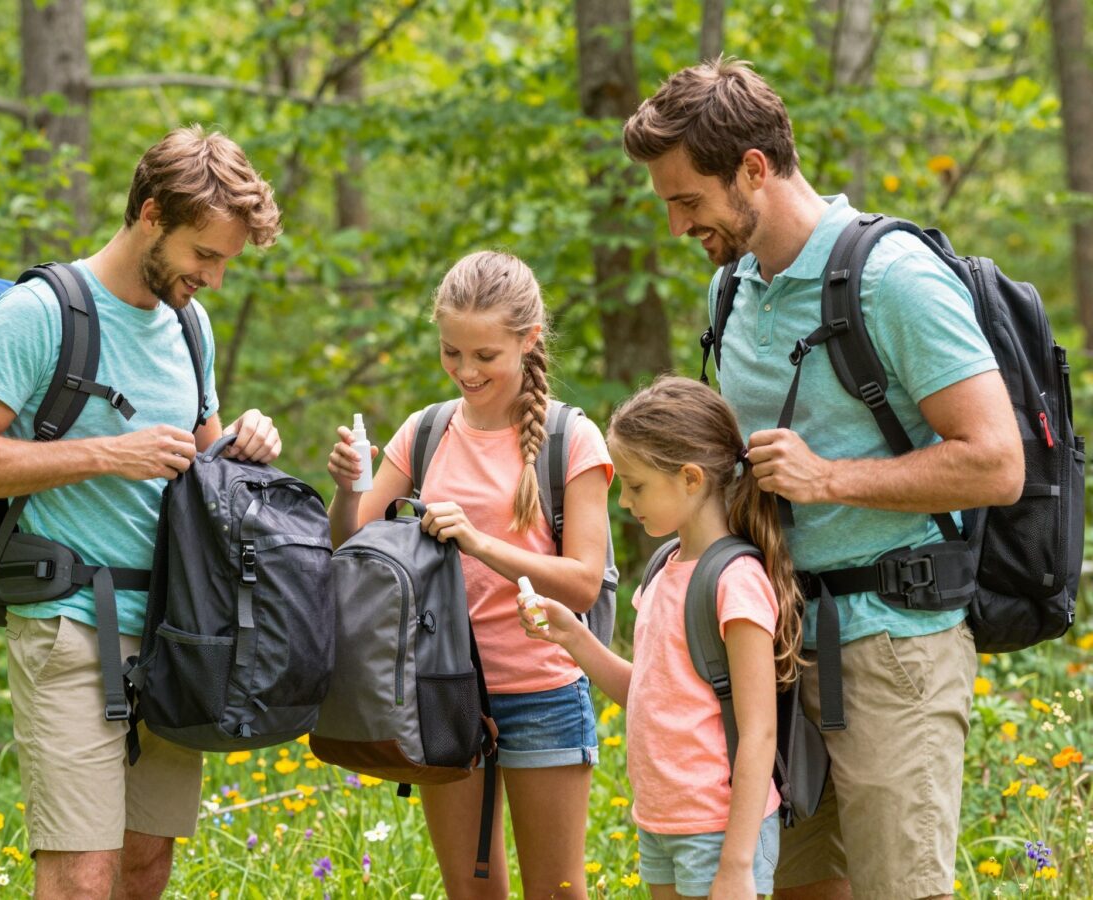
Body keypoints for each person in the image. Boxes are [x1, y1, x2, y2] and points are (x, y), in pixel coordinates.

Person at [621, 59, 1023, 900]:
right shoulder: (729, 290)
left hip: (894, 649)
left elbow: (997, 462)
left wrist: (830, 477)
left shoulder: (895, 278)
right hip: (775, 649)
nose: (674, 224)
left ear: (754, 171)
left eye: (687, 200)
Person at [0, 126, 284, 900]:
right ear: (151, 213)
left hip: (175, 632)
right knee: (83, 876)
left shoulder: (192, 327)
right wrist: (105, 454)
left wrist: (245, 446)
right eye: (204, 255)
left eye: (225, 260)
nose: (214, 278)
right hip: (69, 621)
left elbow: (201, 471)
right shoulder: (38, 314)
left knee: (147, 862)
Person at [327, 250, 613, 899]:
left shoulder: (574, 438)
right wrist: (347, 489)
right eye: (452, 352)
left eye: (485, 355)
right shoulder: (424, 431)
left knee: (558, 891)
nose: (465, 370)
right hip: (438, 691)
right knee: (470, 890)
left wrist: (481, 543)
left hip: (542, 694)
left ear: (528, 340)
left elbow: (582, 583)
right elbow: (351, 548)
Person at [519, 375, 802, 900]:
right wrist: (572, 639)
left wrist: (738, 864)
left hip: (718, 831)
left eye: (636, 484)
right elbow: (647, 693)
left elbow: (759, 732)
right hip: (661, 823)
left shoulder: (735, 582)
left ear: (691, 478)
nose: (624, 501)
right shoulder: (662, 568)